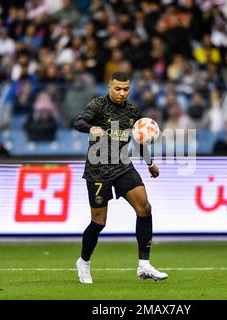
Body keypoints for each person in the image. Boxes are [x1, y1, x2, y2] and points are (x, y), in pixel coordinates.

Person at [73, 72, 168, 284]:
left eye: (125, 89)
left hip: (123, 166)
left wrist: (150, 163)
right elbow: (78, 121)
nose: (122, 93)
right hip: (98, 169)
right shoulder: (98, 105)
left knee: (144, 208)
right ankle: (84, 262)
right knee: (99, 221)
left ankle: (144, 265)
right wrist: (92, 127)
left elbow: (139, 139)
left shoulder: (133, 109)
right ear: (109, 87)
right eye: (118, 89)